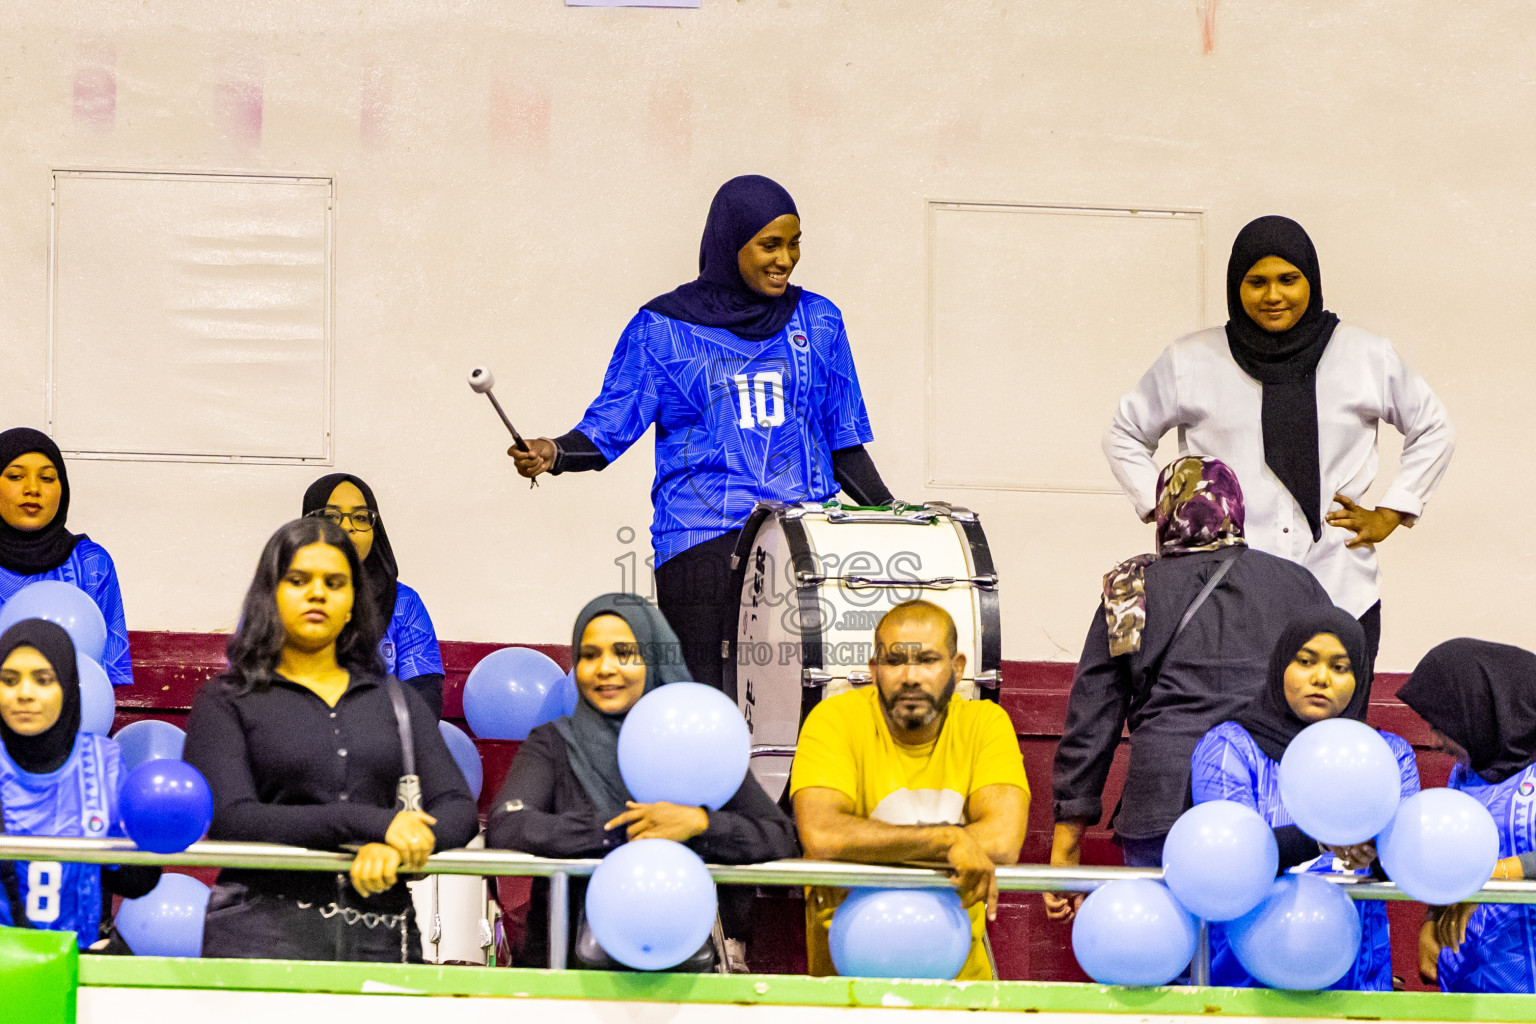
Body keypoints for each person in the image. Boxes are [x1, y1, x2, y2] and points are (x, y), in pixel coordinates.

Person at [507, 175, 892, 688]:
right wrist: (552, 451)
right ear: (730, 244)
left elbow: (842, 441)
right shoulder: (662, 327)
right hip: (702, 542)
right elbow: (607, 430)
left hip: (806, 538)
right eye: (769, 245)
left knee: (803, 699)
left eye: (794, 243)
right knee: (710, 701)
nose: (786, 259)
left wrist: (892, 516)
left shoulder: (820, 321)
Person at [1103, 216, 1454, 673]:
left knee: (1330, 735)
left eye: (1289, 279)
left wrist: (1393, 510)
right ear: (1236, 285)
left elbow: (1434, 427)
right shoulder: (1191, 360)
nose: (1273, 296)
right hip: (1226, 595)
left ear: (1311, 279)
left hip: (1339, 585)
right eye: (1257, 282)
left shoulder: (1365, 355)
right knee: (1233, 731)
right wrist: (1172, 511)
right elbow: (1124, 433)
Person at [182, 518, 477, 962]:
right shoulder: (226, 699)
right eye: (299, 580)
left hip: (380, 936)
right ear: (271, 593)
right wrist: (373, 826)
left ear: (353, 601)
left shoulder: (394, 698)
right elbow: (231, 818)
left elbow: (458, 808)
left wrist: (397, 851)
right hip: (260, 938)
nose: (317, 593)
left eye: (335, 583)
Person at [1047, 456, 1332, 914]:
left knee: (1170, 961)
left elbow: (1093, 719)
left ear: (1165, 515)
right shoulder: (1298, 584)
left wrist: (1066, 844)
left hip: (1163, 804)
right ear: (1235, 509)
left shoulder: (1130, 591)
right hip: (1273, 805)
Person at [486, 593, 795, 970]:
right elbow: (508, 824)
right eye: (589, 655)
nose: (605, 668)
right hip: (562, 967)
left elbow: (779, 836)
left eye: (623, 653)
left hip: (678, 968)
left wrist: (699, 824)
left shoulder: (695, 739)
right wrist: (619, 830)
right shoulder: (554, 743)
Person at [791, 600, 1028, 981]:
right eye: (895, 661)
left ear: (958, 667)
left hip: (961, 988)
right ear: (874, 671)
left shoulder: (985, 724)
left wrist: (871, 849)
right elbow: (822, 834)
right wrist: (949, 841)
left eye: (928, 660)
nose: (911, 677)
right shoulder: (835, 720)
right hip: (847, 987)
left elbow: (1002, 841)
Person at [1189, 607, 1419, 990]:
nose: (1321, 678)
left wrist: (1380, 851)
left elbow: (1410, 858)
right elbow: (1228, 859)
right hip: (1243, 978)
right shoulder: (1230, 746)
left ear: (1360, 678)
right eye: (1305, 661)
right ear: (1281, 666)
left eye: (1340, 667)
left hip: (1356, 979)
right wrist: (1320, 839)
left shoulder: (1388, 755)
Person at [0, 618, 159, 946]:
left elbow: (138, 881)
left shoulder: (104, 762)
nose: (25, 694)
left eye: (43, 680)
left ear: (68, 686)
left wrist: (148, 836)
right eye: (9, 680)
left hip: (81, 959)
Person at [1397, 639, 1536, 993]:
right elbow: (1452, 856)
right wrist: (1431, 920)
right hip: (1474, 983)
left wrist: (1493, 875)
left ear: (1480, 709)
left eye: (1443, 724)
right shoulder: (1464, 775)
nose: (1434, 740)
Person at [302, 473, 445, 719]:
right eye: (331, 516)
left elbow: (425, 696)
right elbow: (254, 692)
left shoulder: (404, 603)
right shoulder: (278, 598)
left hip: (384, 743)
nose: (347, 527)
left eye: (360, 517)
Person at [0, 428, 132, 686]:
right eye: (16, 476)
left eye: (48, 478)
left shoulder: (92, 565)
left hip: (75, 722)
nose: (33, 489)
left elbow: (107, 676)